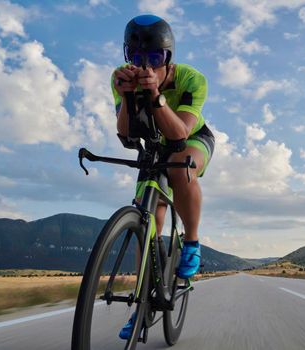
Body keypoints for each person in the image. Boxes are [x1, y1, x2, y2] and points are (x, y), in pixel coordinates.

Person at [111, 14, 215, 340]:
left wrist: (155, 96)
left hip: (192, 140)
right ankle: (142, 307)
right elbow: (127, 136)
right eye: (137, 58)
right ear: (128, 55)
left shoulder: (192, 80)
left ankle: (192, 241)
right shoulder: (120, 77)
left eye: (155, 59)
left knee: (181, 166)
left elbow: (181, 133)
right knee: (147, 220)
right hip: (152, 146)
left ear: (169, 59)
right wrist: (127, 96)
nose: (146, 67)